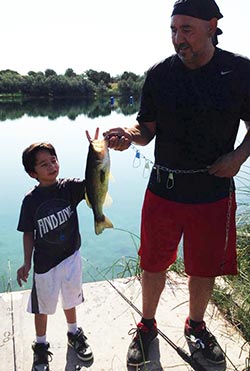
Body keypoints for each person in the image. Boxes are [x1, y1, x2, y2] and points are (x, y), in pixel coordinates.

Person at [104, 0, 250, 367]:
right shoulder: (159, 74)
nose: (177, 38)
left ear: (212, 25)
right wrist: (127, 134)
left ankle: (196, 326)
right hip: (164, 190)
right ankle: (148, 325)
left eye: (186, 29)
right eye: (173, 30)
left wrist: (237, 158)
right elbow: (146, 128)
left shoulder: (240, 71)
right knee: (153, 263)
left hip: (214, 192)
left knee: (203, 267)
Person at [16, 141, 94, 370]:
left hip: (70, 257)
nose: (51, 166)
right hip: (44, 265)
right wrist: (26, 261)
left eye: (53, 160)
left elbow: (94, 181)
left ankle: (74, 333)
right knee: (42, 307)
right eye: (43, 164)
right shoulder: (30, 201)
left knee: (71, 298)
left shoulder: (68, 188)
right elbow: (28, 233)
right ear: (33, 173)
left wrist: (96, 151)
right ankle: (40, 346)